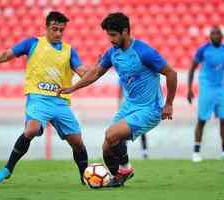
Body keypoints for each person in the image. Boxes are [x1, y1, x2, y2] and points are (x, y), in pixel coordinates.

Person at [57, 12, 177, 187]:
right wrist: (73, 88)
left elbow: (171, 73)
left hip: (150, 108)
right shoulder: (112, 53)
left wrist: (169, 104)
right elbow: (95, 73)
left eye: (113, 35)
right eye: (108, 35)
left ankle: (126, 169)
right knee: (107, 148)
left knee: (111, 134)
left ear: (125, 32)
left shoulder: (144, 52)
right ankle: (118, 179)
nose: (111, 39)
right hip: (130, 106)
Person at [0, 11, 88, 184]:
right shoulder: (32, 43)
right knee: (31, 130)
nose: (58, 33)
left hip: (60, 102)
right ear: (46, 27)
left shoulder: (69, 51)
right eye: (54, 29)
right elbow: (7, 54)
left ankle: (85, 177)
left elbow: (82, 71)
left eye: (61, 30)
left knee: (77, 142)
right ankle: (7, 169)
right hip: (38, 98)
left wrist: (94, 71)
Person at [187, 26, 224, 162]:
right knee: (202, 119)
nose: (215, 36)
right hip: (207, 88)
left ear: (222, 36)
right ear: (209, 36)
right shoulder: (203, 50)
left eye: (218, 33)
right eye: (213, 33)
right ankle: (196, 152)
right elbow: (192, 69)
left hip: (221, 88)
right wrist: (189, 89)